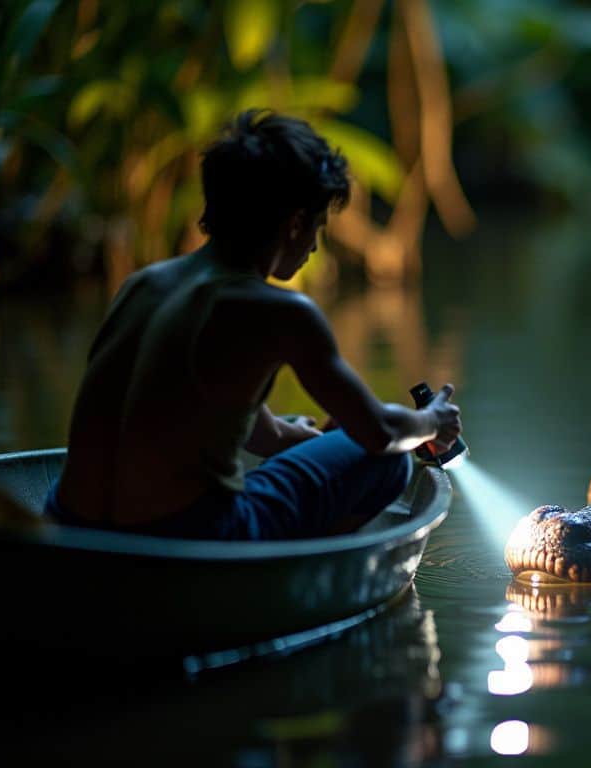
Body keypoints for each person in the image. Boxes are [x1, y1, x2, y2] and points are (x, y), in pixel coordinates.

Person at [47, 109, 462, 540]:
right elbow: (379, 434)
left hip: (70, 525)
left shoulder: (143, 286)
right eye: (317, 227)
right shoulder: (280, 312)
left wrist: (309, 439)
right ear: (295, 223)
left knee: (315, 433)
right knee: (388, 462)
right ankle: (299, 576)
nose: (315, 246)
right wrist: (433, 424)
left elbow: (251, 428)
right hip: (183, 537)